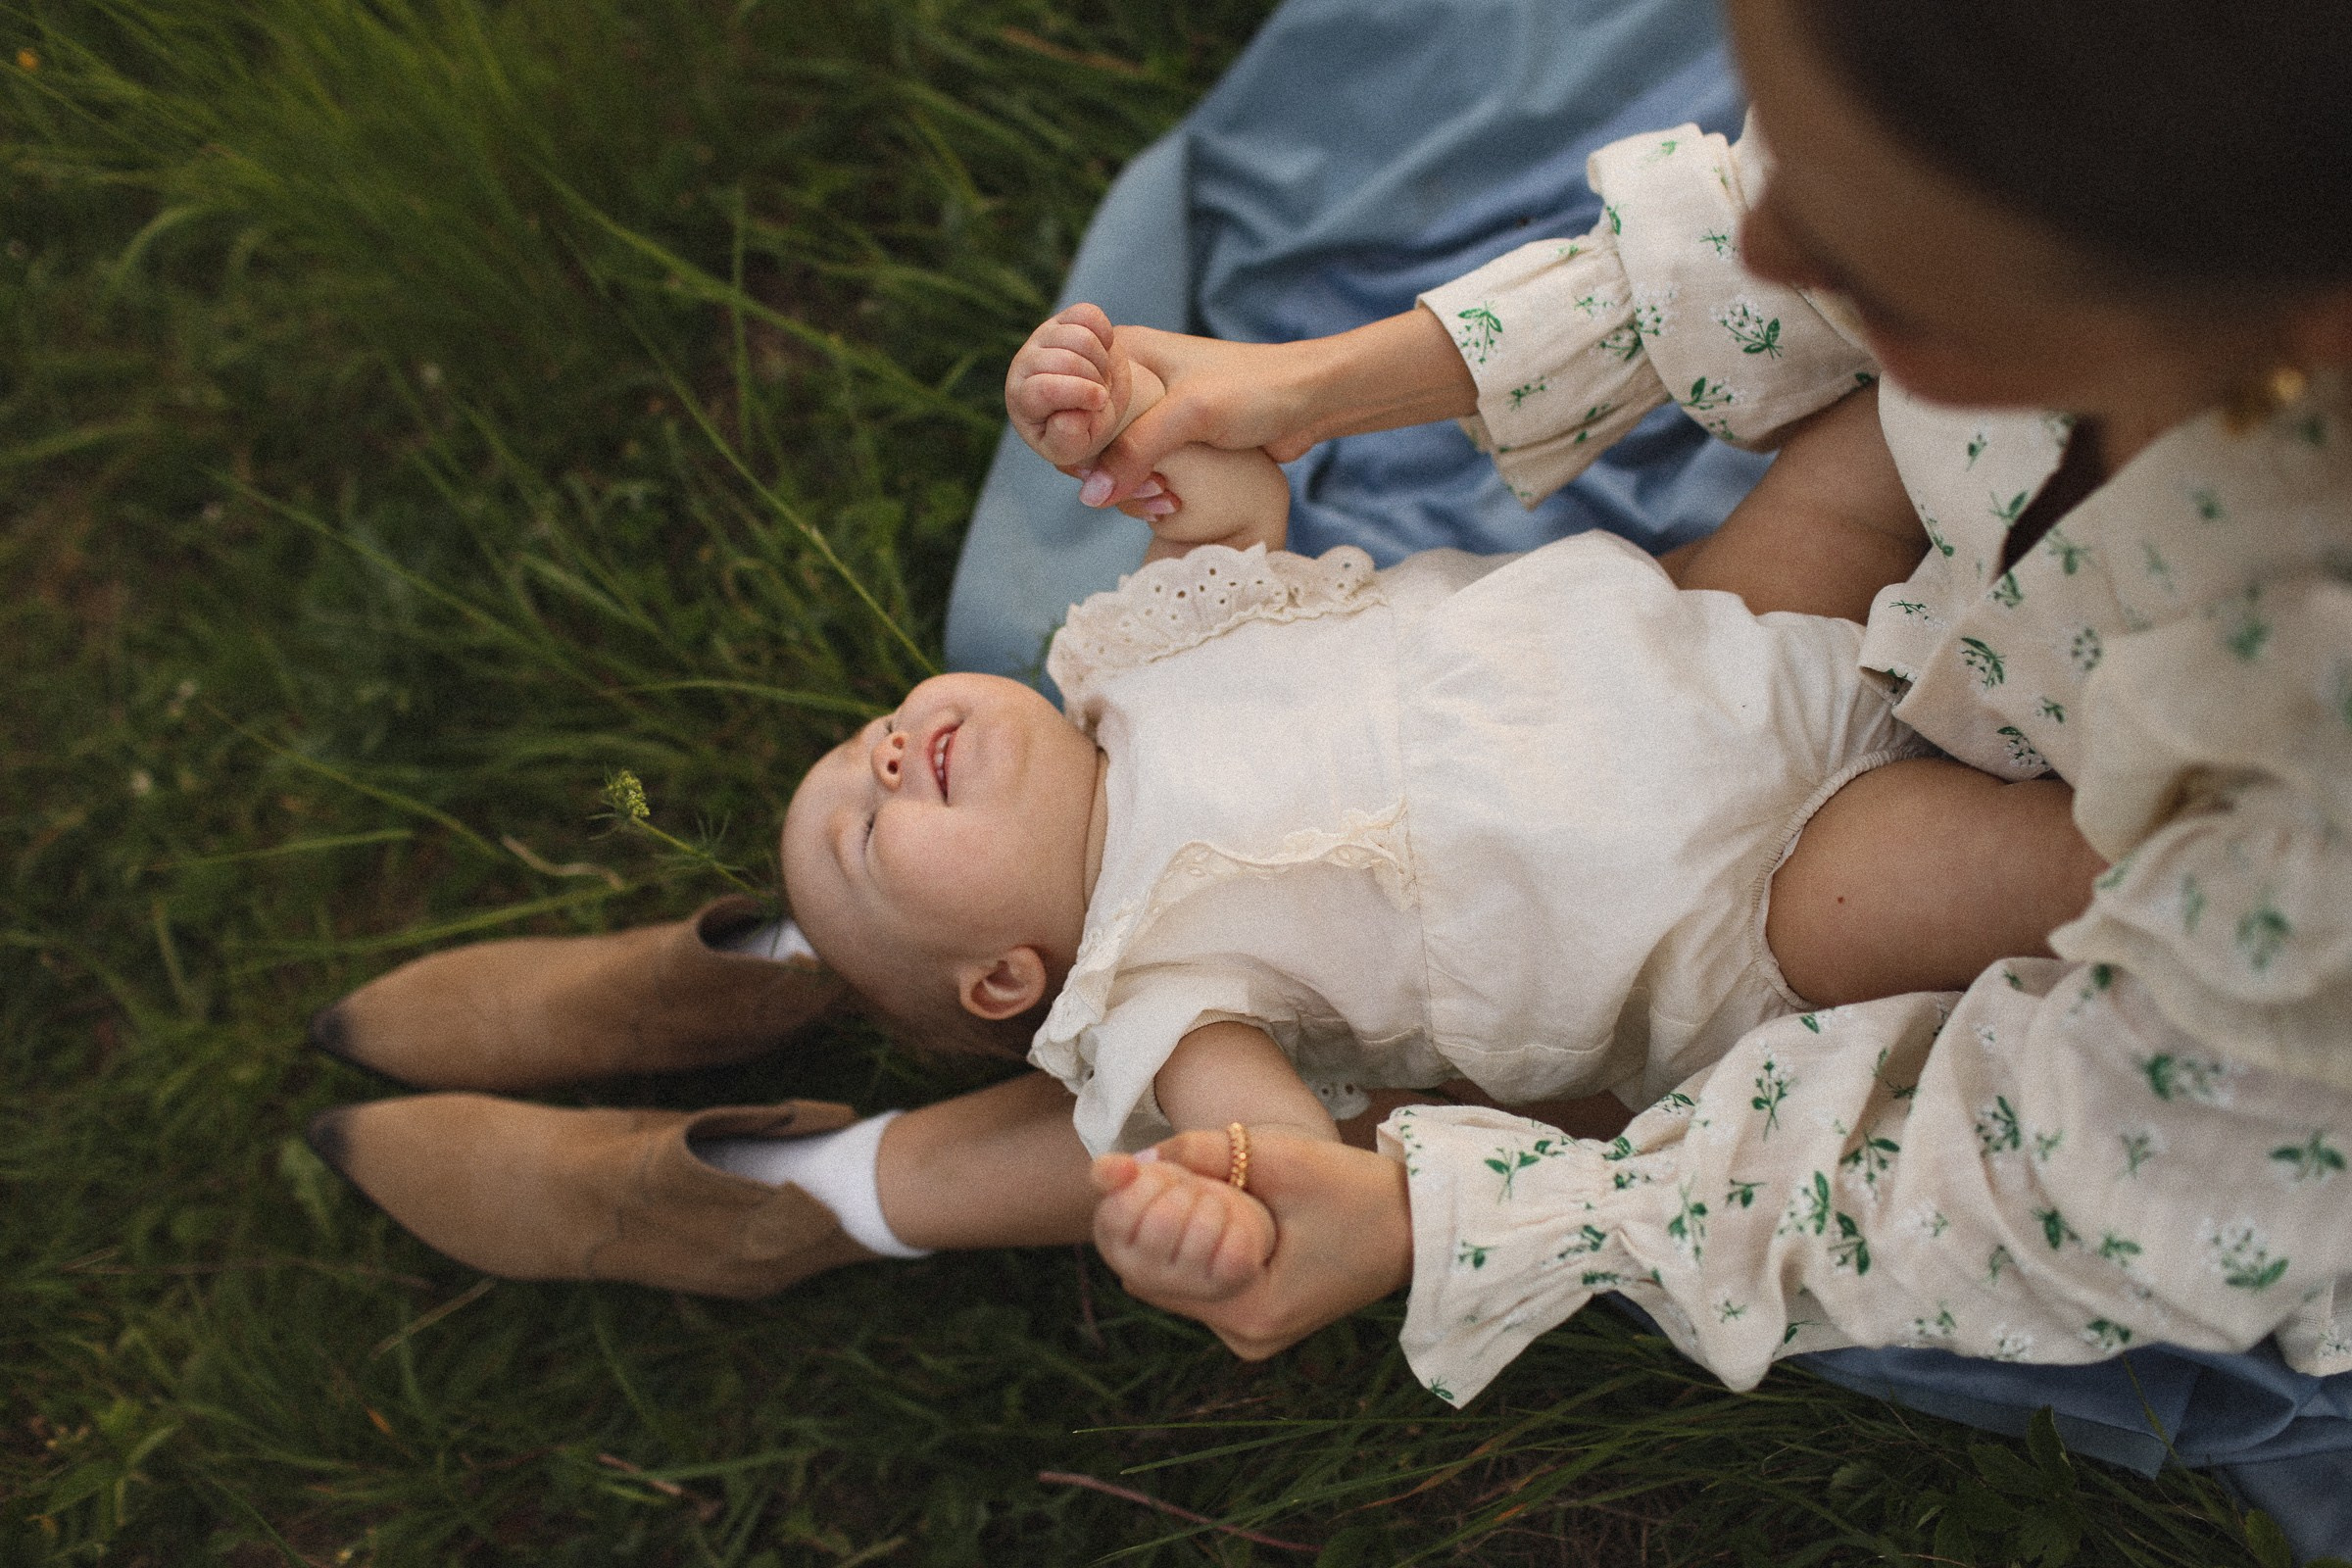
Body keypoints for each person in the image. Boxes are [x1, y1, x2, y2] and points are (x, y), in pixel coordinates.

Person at [1049, 0, 2352, 1549]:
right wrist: (1316, 387)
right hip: (1857, 689)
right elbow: (1768, 251)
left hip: (1916, 866)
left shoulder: (2304, 821)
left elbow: (2036, 1189)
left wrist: (1465, 1220)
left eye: (1886, 261)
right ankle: (845, 1179)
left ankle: (837, 1188)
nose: (1779, 241)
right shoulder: (2132, 183)